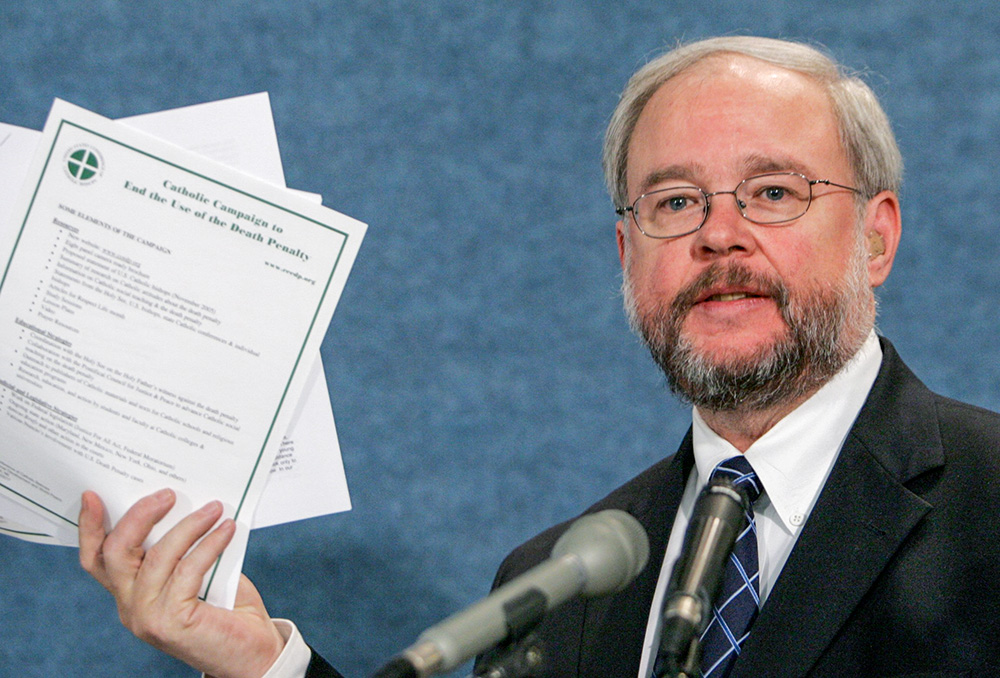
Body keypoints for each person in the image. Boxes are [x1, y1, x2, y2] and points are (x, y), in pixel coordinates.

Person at [79, 36, 1000, 678]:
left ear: (876, 239)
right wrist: (267, 668)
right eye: (674, 203)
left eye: (771, 191)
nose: (722, 235)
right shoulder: (558, 583)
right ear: (626, 254)